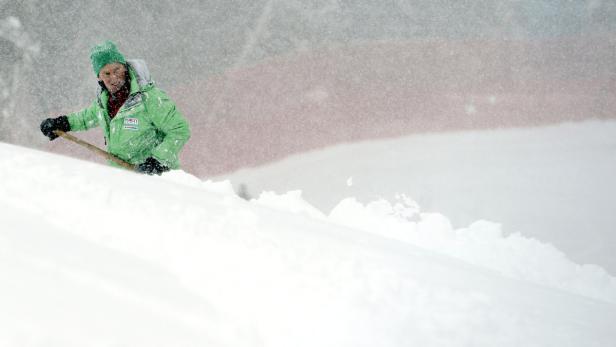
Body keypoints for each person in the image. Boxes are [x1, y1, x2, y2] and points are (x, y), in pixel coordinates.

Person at [40, 40, 190, 175]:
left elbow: (180, 130)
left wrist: (157, 161)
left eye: (117, 69)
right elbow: (86, 118)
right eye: (107, 73)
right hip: (123, 179)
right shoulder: (104, 103)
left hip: (159, 179)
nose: (114, 77)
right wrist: (62, 123)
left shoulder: (149, 98)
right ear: (99, 77)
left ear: (124, 67)